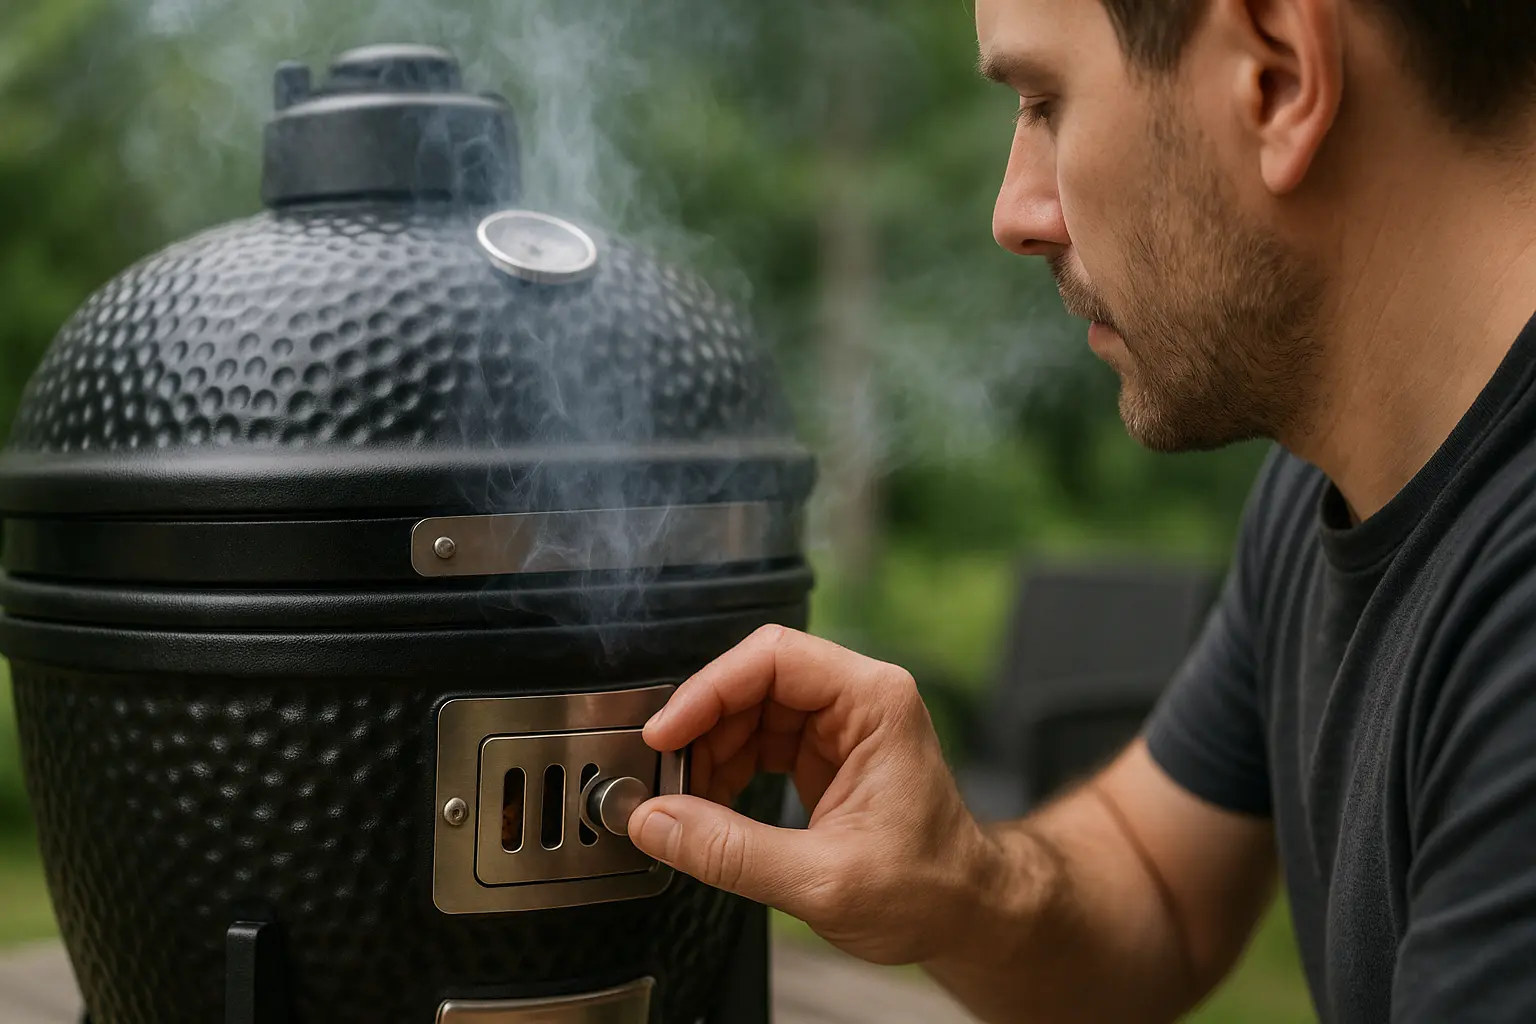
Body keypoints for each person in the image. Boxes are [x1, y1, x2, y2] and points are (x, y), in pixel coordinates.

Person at [628, 0, 1536, 1020]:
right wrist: (956, 887)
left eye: (1044, 102)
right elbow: (1155, 887)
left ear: (1279, 76)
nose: (1015, 214)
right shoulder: (1333, 476)